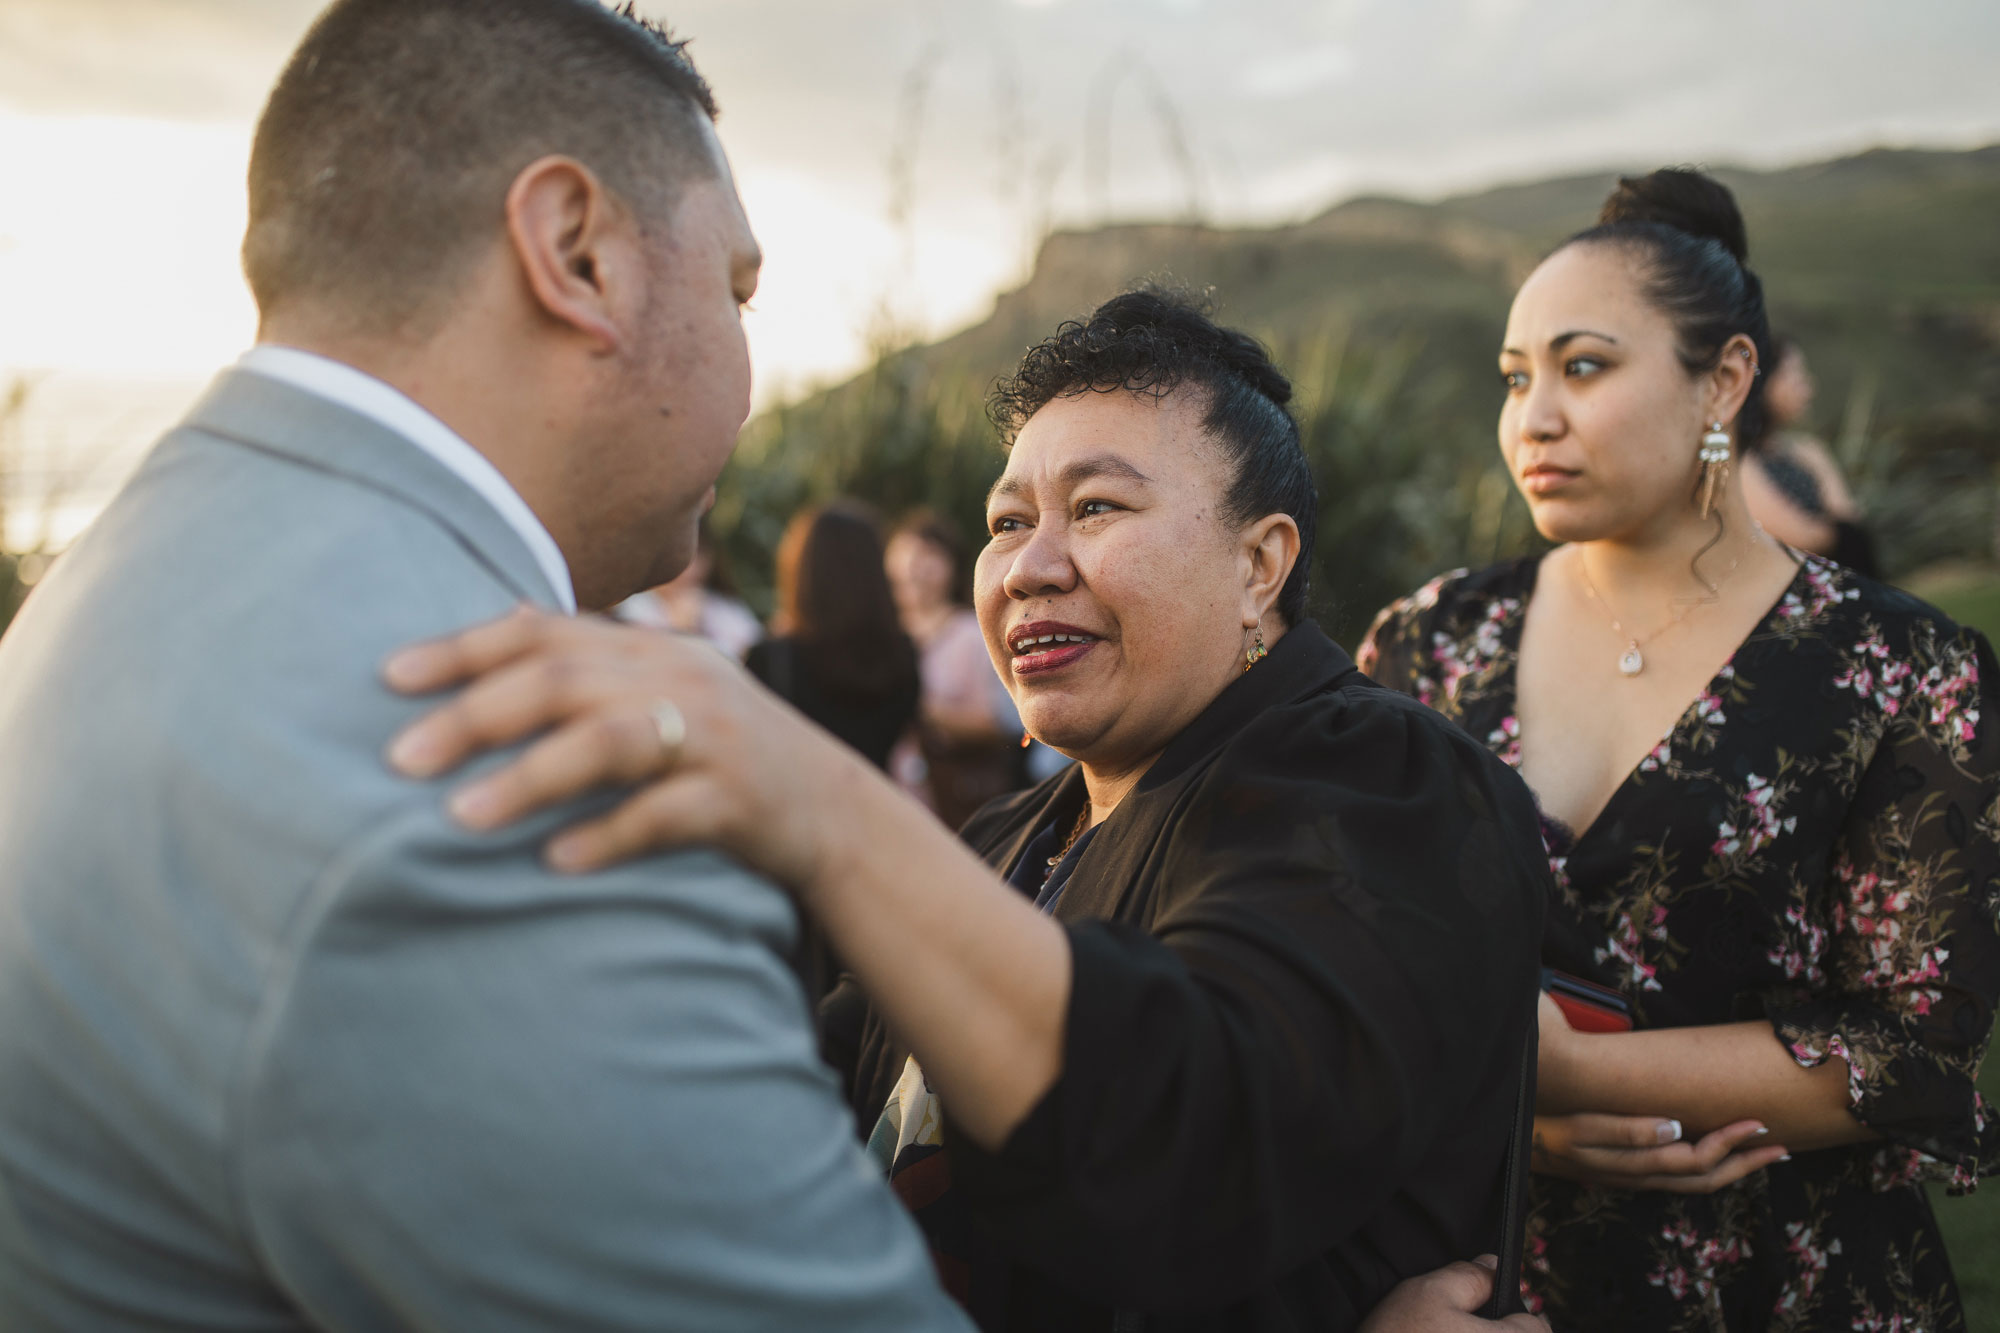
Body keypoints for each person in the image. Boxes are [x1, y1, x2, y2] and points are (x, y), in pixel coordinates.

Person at [0, 2, 968, 1327]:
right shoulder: (503, 766)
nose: (750, 363)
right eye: (738, 289)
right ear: (576, 252)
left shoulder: (115, 576)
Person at [383, 290, 1553, 1331]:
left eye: (1094, 508)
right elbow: (791, 1103)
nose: (1028, 567)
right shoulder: (1003, 841)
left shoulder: (1382, 781)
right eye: (1005, 521)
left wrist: (821, 799)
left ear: (1260, 566)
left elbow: (1194, 1154)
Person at [1358, 168, 2000, 1329]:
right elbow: (1335, 949)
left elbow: (1917, 1042)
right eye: (1514, 379)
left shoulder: (1898, 668)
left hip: (1796, 1282)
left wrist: (1573, 1073)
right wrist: (1515, 1115)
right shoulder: (1430, 642)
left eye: (1583, 366)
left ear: (1725, 379)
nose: (1531, 417)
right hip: (1497, 1282)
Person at [746, 501, 919, 772]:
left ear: (803, 571)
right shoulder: (903, 653)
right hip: (873, 804)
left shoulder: (771, 657)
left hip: (796, 808)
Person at [885, 510, 1031, 824]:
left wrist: (917, 707)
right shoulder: (880, 633)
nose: (914, 566)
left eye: (929, 555)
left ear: (953, 566)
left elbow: (1002, 722)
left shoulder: (971, 634)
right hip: (889, 803)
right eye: (905, 552)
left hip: (954, 806)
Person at [1739, 335, 1879, 575]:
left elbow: (1847, 518)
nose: (1808, 388)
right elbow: (1795, 536)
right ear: (1762, 383)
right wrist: (1834, 533)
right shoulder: (1738, 462)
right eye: (1797, 376)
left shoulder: (1805, 449)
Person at [614, 515, 763, 657]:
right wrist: (682, 630)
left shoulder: (724, 608)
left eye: (699, 555)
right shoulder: (630, 611)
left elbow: (753, 651)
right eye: (674, 555)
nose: (690, 570)